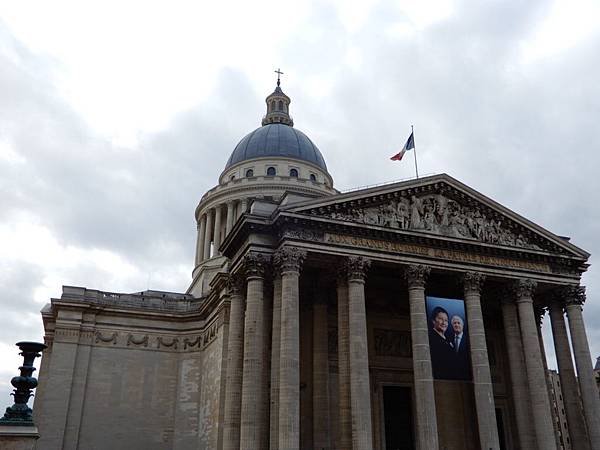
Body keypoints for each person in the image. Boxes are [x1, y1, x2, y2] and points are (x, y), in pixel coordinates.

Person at [428, 306, 454, 379]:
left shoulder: (449, 340)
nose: (444, 323)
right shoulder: (430, 337)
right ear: (433, 321)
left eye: (446, 320)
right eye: (440, 319)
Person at [448, 315, 470, 380]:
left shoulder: (468, 339)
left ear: (462, 325)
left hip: (466, 373)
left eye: (458, 323)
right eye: (454, 323)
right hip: (452, 374)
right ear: (452, 326)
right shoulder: (449, 339)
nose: (456, 325)